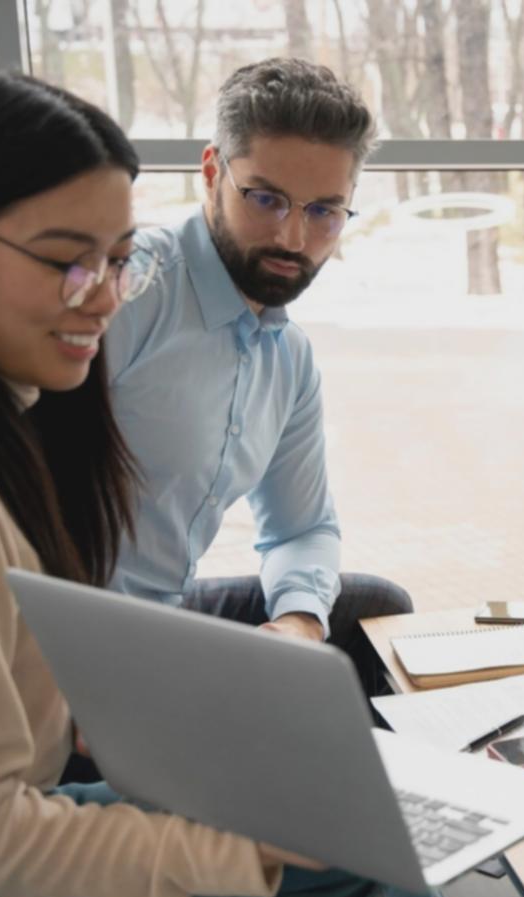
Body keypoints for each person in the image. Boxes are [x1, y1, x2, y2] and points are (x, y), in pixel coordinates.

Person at [0, 69, 447, 897]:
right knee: (369, 865)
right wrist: (239, 843)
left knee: (354, 801)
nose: (106, 296)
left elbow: (301, 526)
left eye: (117, 258)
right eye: (67, 260)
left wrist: (283, 646)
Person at [100, 57, 403, 707]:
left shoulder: (287, 357)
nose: (292, 236)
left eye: (324, 210)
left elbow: (301, 529)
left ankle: (378, 801)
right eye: (265, 199)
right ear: (211, 173)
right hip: (75, 630)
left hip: (164, 614)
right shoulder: (127, 293)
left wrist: (296, 624)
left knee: (376, 613)